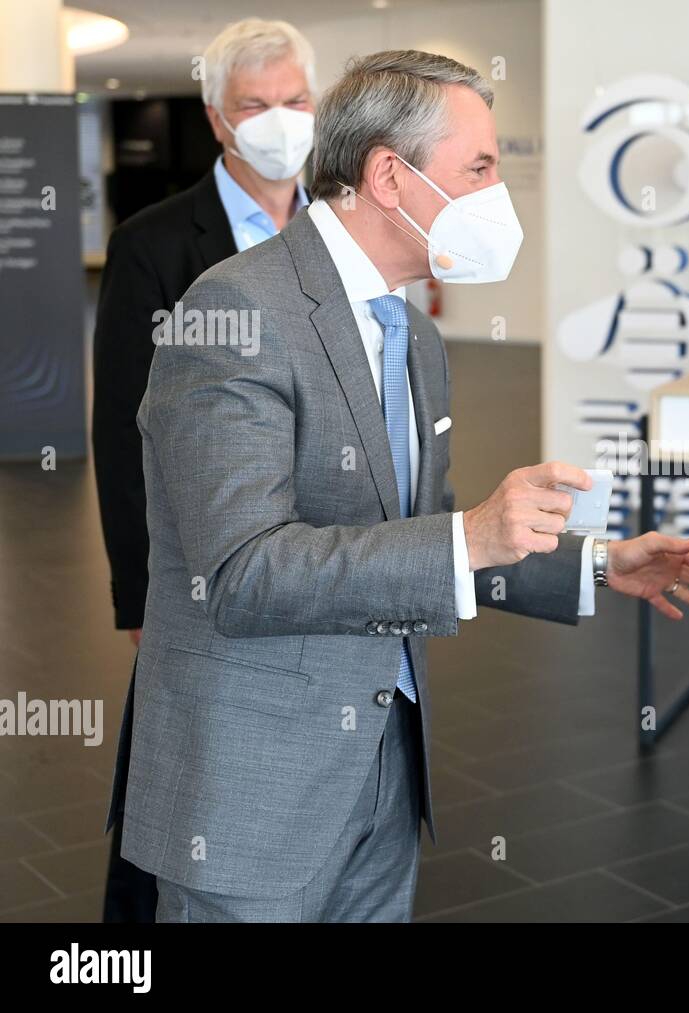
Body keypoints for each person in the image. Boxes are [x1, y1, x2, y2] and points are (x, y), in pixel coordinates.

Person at [107, 49, 689, 923]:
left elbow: (422, 527)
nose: (495, 194)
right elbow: (243, 571)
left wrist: (596, 564)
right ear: (391, 177)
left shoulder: (411, 332)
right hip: (256, 791)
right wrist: (470, 536)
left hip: (386, 763)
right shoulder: (238, 314)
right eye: (478, 168)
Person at [92, 17, 317, 923]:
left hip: (314, 543)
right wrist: (137, 593)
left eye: (295, 102)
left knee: (294, 761)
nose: (278, 122)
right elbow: (118, 427)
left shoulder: (336, 228)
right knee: (179, 768)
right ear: (218, 120)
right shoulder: (155, 243)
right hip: (195, 555)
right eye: (255, 106)